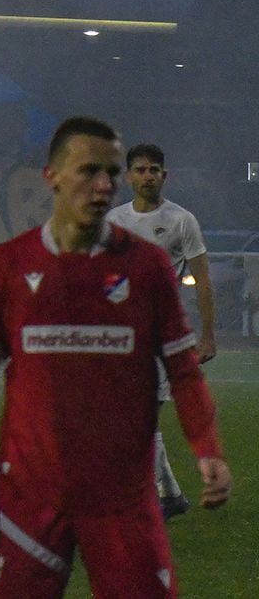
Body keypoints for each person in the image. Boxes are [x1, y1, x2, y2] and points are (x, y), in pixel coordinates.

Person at [0, 116, 230, 598]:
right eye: (88, 171)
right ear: (52, 176)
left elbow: (184, 372)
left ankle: (166, 490)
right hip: (27, 499)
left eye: (109, 172)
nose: (103, 184)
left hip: (122, 502)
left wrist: (207, 449)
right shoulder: (5, 267)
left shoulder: (149, 267)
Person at [105, 142, 216, 518]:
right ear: (128, 177)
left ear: (164, 176)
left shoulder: (182, 221)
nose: (148, 176)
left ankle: (152, 496)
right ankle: (169, 495)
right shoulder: (115, 221)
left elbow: (202, 280)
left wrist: (208, 336)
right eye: (140, 169)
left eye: (154, 170)